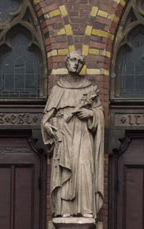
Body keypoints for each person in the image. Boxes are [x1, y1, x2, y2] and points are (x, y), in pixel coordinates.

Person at [43, 50, 104, 219]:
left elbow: (99, 114)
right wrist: (50, 128)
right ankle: (65, 210)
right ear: (66, 62)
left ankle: (85, 208)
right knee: (65, 170)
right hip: (64, 133)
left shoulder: (90, 89)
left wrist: (90, 114)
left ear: (82, 65)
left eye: (79, 61)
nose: (75, 63)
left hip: (83, 133)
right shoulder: (57, 89)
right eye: (73, 60)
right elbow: (45, 120)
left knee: (84, 167)